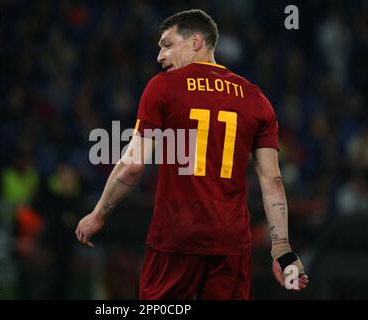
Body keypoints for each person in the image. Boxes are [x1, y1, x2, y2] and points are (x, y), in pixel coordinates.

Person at [76, 9, 308, 299]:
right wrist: (282, 250)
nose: (160, 56)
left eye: (167, 45)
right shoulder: (256, 99)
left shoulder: (162, 87)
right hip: (230, 242)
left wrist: (98, 215)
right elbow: (272, 179)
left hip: (176, 237)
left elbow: (132, 166)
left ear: (196, 42)